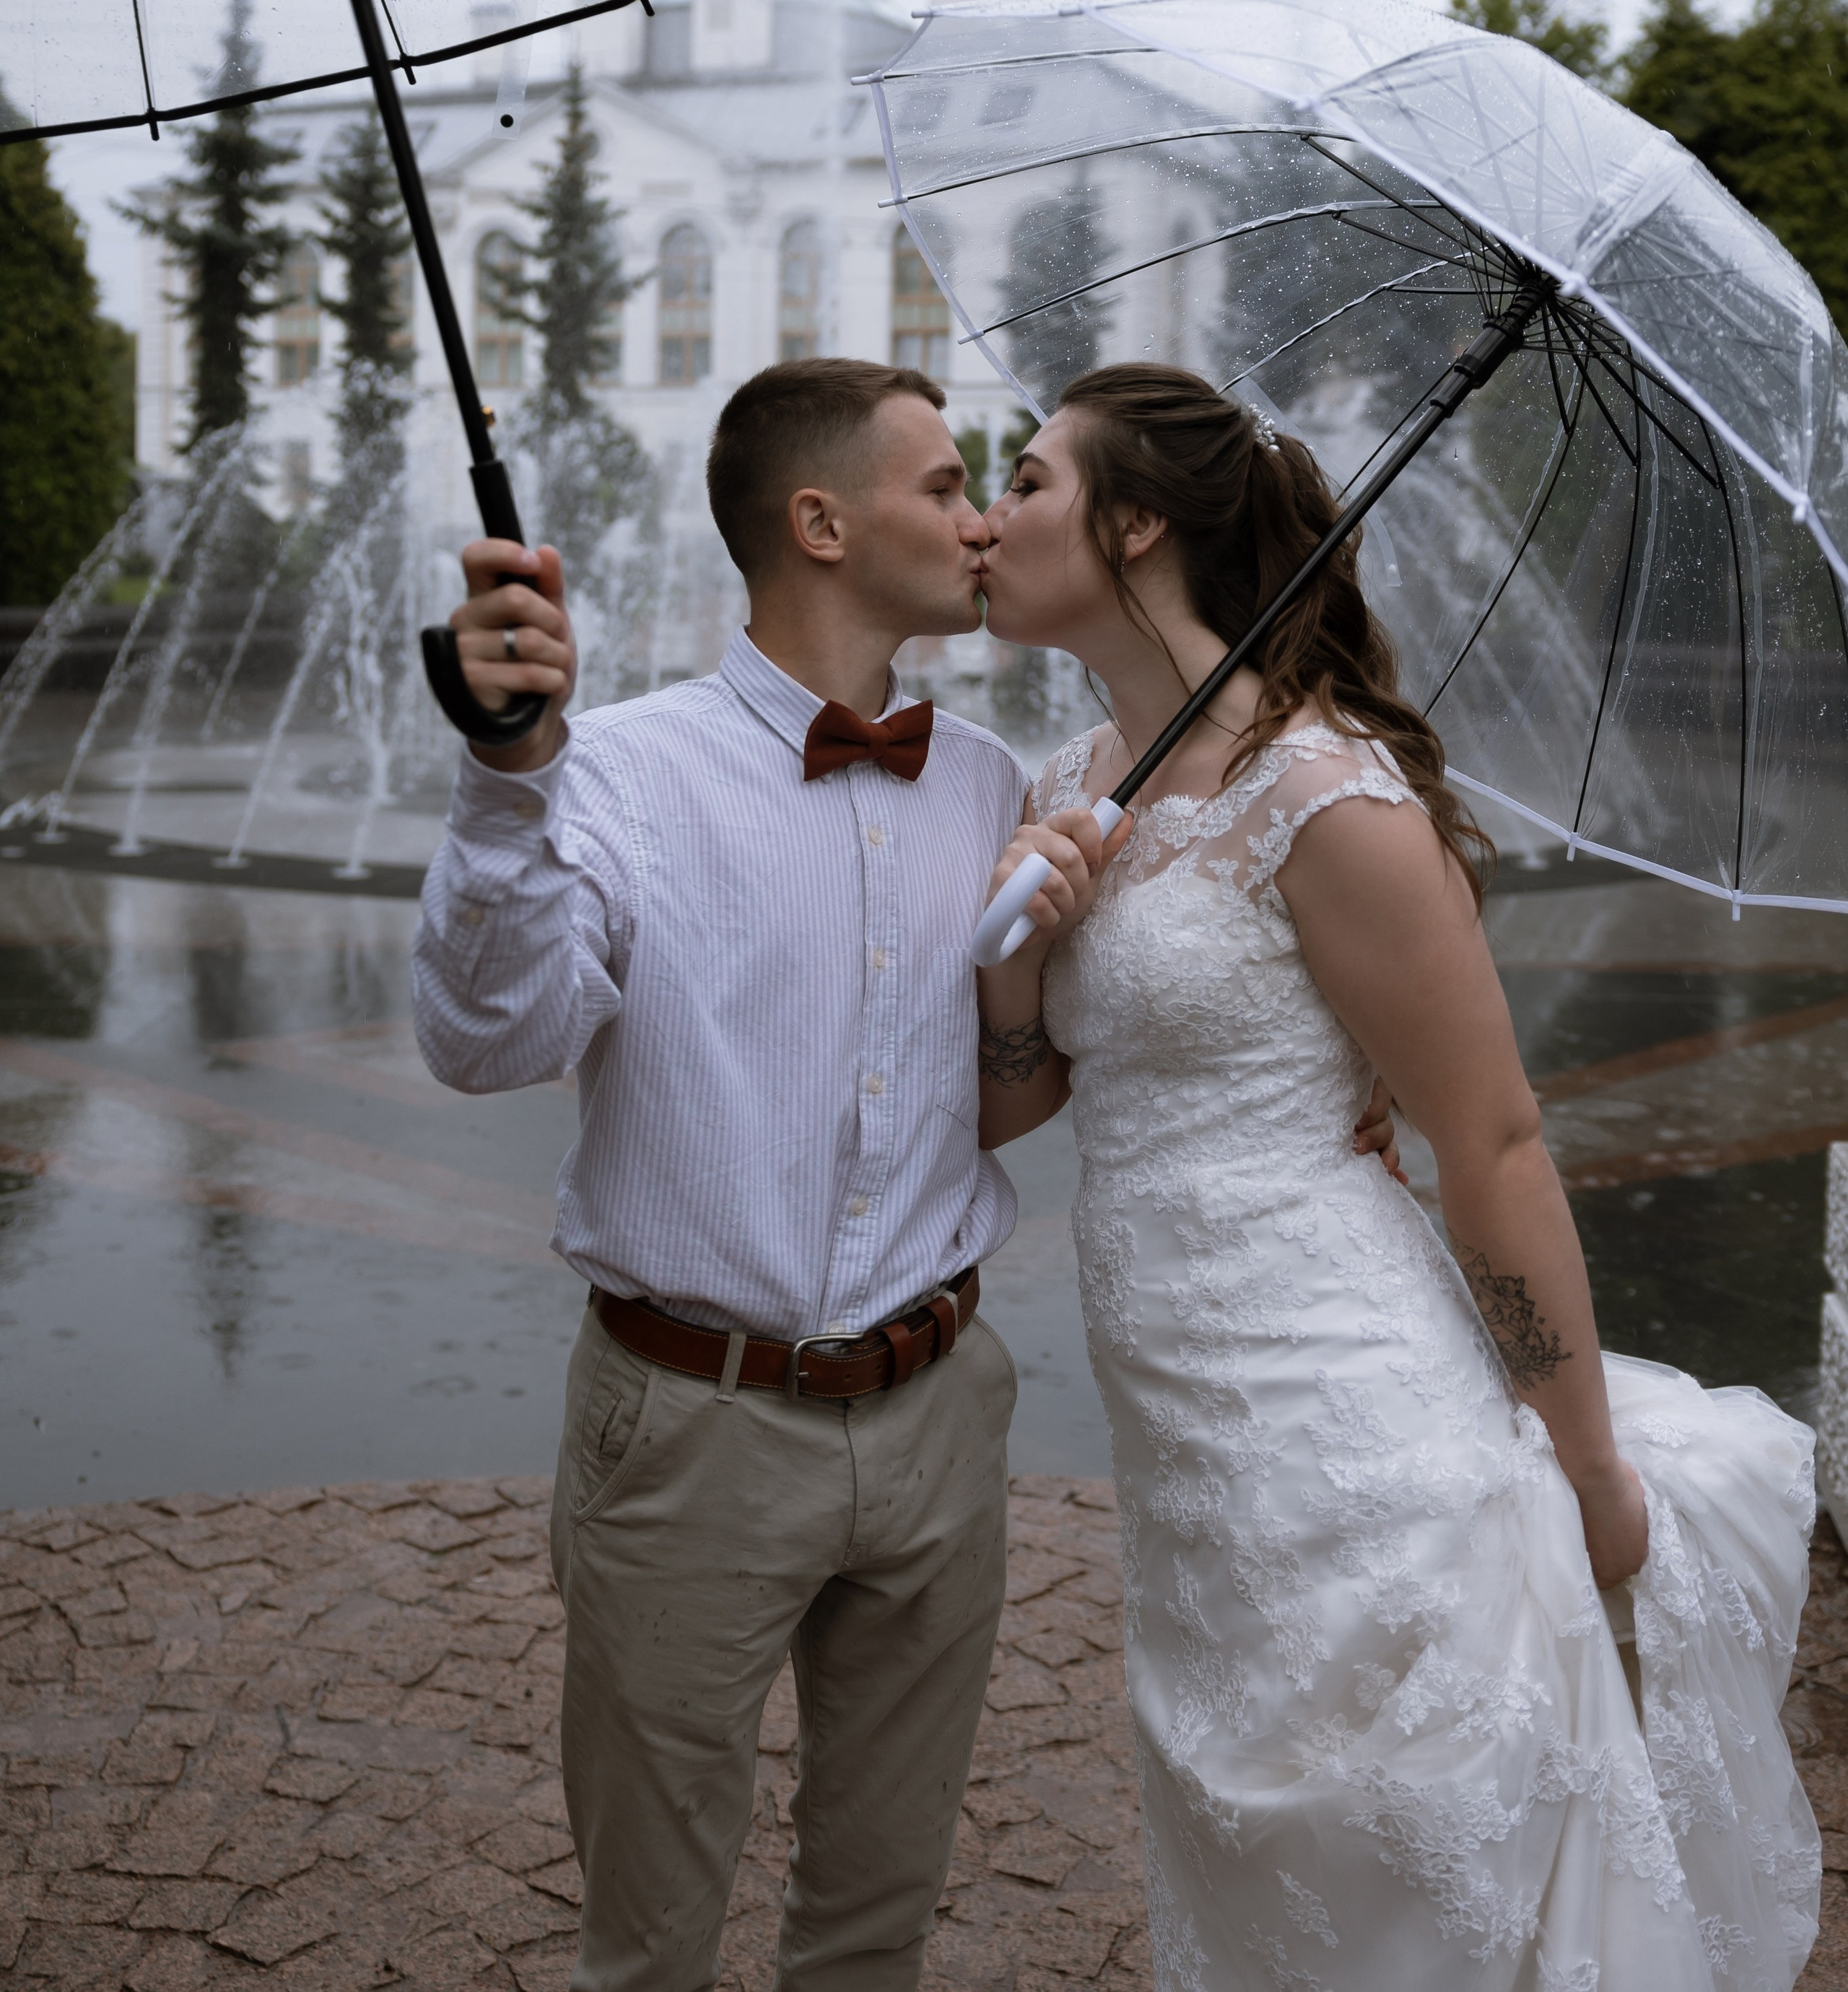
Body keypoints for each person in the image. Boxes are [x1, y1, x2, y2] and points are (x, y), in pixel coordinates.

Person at [410, 353, 1400, 1992]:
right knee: (649, 1936)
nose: (980, 517)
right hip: (691, 1424)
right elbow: (485, 1039)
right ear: (818, 520)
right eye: (943, 485)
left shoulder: (1000, 785)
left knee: (876, 1918)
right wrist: (508, 768)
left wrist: (1338, 1075)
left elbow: (1087, 1034)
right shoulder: (626, 777)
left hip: (941, 1407)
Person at [972, 361, 1820, 1992]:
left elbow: (1490, 1137)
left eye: (1023, 480)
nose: (985, 521)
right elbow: (1020, 1107)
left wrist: (1584, 1479)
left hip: (1338, 1402)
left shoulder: (1325, 795)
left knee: (1401, 1824)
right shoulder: (1070, 784)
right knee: (1253, 1837)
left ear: (1134, 522)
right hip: (1183, 1443)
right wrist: (1017, 951)